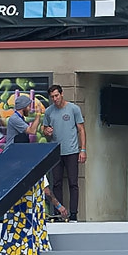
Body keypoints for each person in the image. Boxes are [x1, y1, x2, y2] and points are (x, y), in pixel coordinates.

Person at [41, 85, 86, 223]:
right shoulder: (49, 112)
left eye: (56, 95)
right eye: (52, 97)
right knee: (57, 183)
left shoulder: (73, 109)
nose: (55, 99)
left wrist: (82, 149)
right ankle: (58, 213)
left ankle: (73, 214)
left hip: (71, 151)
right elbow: (44, 128)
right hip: (56, 152)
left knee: (73, 183)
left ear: (61, 94)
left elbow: (81, 129)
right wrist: (46, 131)